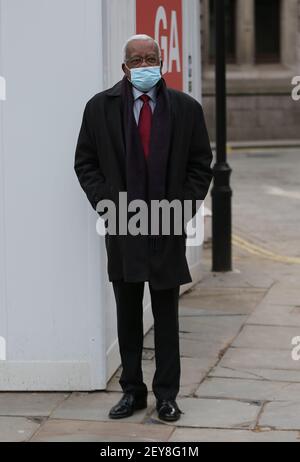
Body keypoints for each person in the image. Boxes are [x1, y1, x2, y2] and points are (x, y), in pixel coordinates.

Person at [74, 34, 213, 422]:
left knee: (167, 315)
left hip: (166, 227)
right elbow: (85, 163)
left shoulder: (185, 109)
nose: (144, 65)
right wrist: (110, 208)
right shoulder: (100, 108)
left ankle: (167, 395)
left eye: (151, 58)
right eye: (136, 60)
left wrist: (181, 210)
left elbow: (201, 165)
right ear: (124, 67)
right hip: (123, 226)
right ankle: (132, 391)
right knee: (128, 313)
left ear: (161, 62)